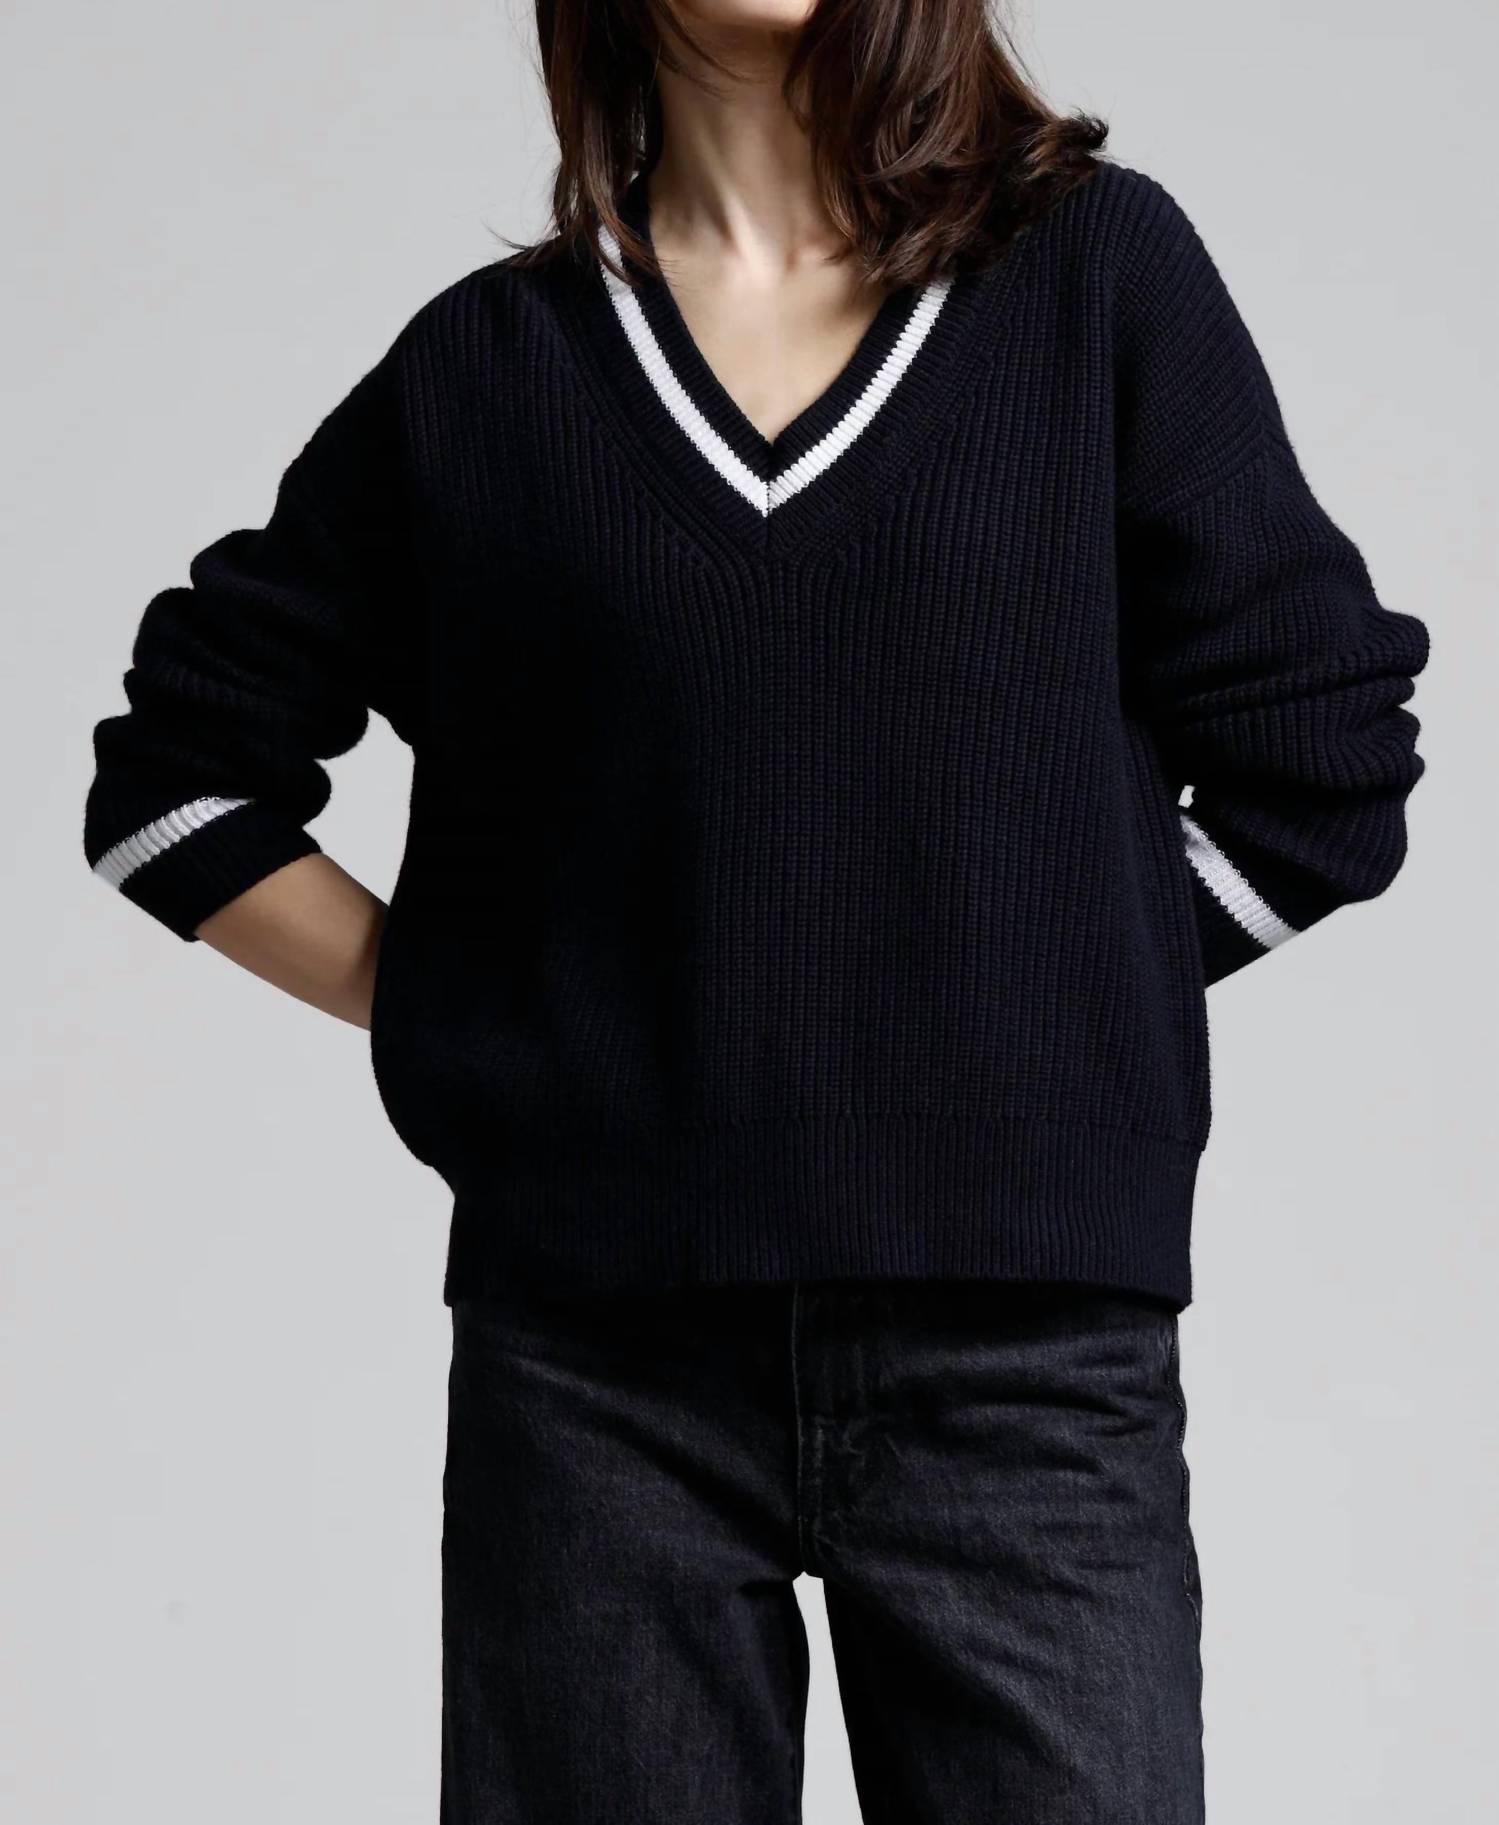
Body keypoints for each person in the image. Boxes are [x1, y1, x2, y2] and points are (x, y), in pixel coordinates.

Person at [81, 3, 1429, 1820]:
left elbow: (1324, 761)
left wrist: (1017, 989)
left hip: (1024, 1368)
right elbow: (177, 780)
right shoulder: (491, 370)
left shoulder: (1096, 277)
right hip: (595, 1375)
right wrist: (501, 1012)